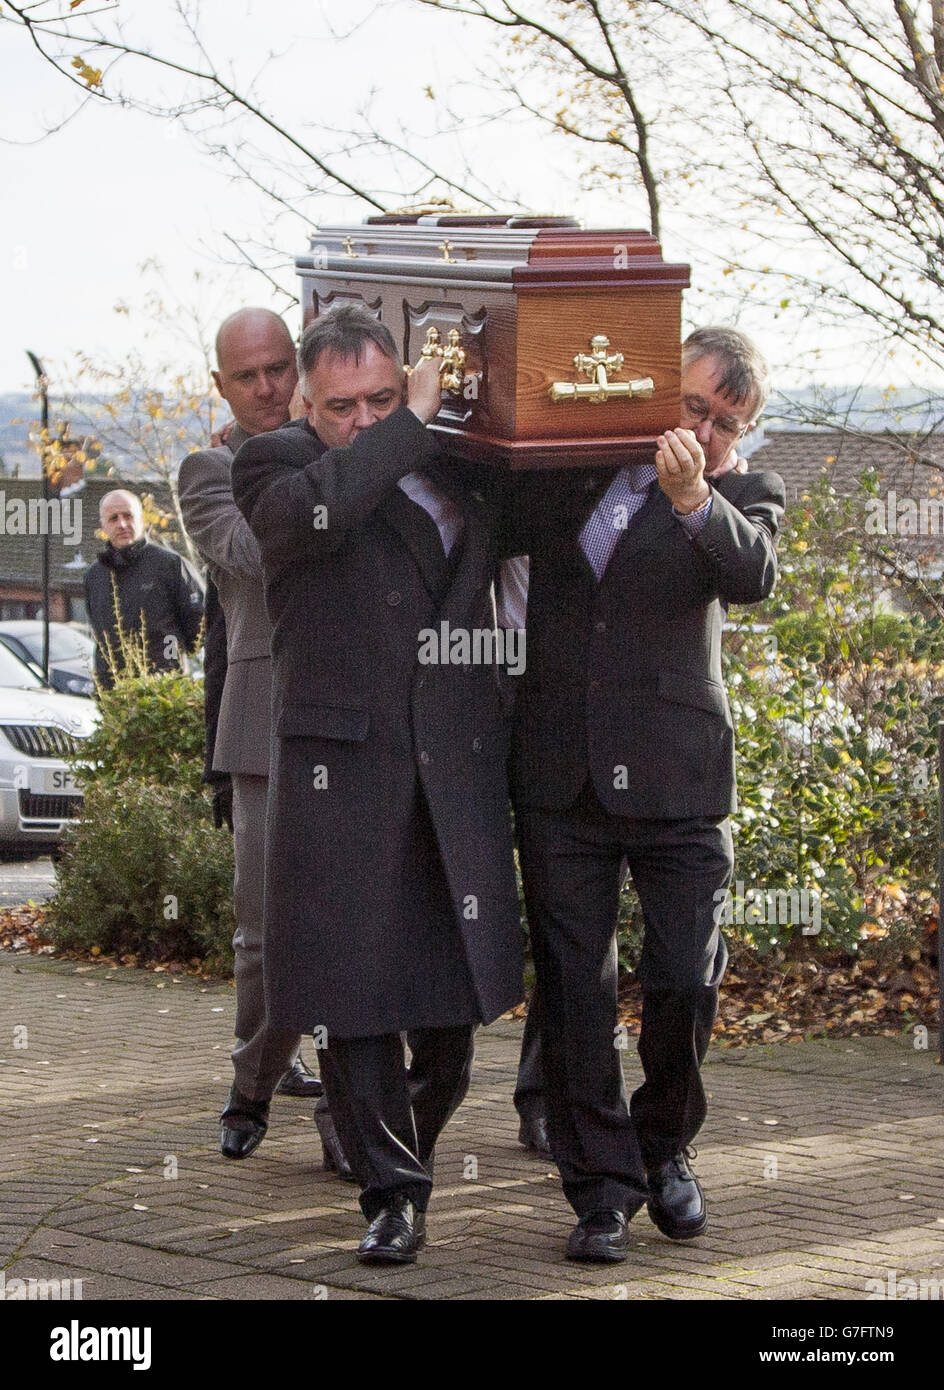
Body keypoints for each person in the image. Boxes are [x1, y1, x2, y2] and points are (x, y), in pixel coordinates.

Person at [232, 305, 523, 1264]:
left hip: (454, 764)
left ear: (405, 384)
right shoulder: (274, 470)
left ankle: (407, 1154)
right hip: (341, 766)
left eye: (383, 400)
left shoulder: (458, 466)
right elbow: (336, 500)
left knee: (448, 1009)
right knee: (353, 997)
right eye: (341, 406)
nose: (363, 419)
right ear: (306, 406)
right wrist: (409, 424)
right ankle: (391, 1196)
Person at [500, 325, 785, 1261]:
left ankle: (665, 1147)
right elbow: (491, 481)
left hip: (678, 780)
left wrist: (695, 496)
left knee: (683, 979)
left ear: (744, 431)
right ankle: (600, 1189)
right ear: (664, 388)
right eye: (692, 406)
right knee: (577, 994)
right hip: (560, 775)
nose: (703, 428)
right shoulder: (574, 463)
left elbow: (753, 576)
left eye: (725, 420)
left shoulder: (743, 494)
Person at [178, 308, 349, 1171]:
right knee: (264, 932)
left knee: (356, 919)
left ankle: (352, 1109)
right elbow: (263, 546)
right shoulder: (208, 468)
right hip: (263, 723)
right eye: (247, 377)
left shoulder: (342, 442)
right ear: (222, 385)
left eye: (281, 368)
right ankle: (252, 1086)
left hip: (355, 718)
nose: (269, 387)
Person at [84, 489, 204, 687]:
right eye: (113, 519)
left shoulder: (170, 565)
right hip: (115, 693)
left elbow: (199, 624)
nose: (122, 524)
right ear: (103, 526)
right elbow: (99, 634)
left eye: (128, 516)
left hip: (165, 688)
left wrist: (171, 659)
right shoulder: (94, 576)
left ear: (141, 519)